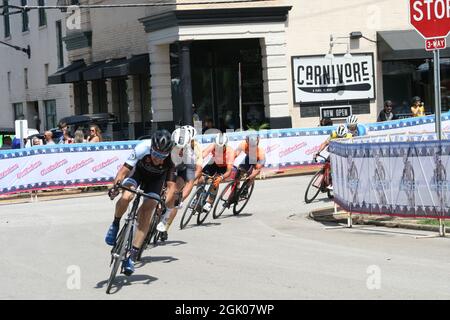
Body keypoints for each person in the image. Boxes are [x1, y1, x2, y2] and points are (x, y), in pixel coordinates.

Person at [105, 129, 176, 276]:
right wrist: (115, 186)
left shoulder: (171, 160)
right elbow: (123, 171)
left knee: (147, 210)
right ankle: (115, 223)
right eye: (155, 154)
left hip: (156, 182)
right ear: (151, 149)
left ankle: (131, 255)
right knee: (126, 197)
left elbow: (170, 187)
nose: (158, 159)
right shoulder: (142, 147)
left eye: (162, 156)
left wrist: (163, 203)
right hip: (137, 175)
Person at [156, 126, 203, 239]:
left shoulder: (192, 152)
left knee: (175, 196)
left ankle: (165, 226)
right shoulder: (166, 145)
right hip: (168, 167)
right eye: (177, 147)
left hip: (183, 169)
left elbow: (191, 178)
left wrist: (181, 197)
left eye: (182, 148)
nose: (180, 150)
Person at [201, 132, 235, 212]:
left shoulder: (230, 152)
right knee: (200, 177)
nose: (218, 149)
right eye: (217, 146)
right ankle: (198, 195)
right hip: (214, 162)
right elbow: (203, 154)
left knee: (216, 181)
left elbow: (229, 171)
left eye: (221, 147)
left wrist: (221, 177)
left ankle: (209, 202)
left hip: (224, 167)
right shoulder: (213, 145)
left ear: (225, 145)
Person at [314, 124, 353, 191]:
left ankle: (333, 182)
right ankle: (324, 179)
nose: (339, 137)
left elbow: (351, 148)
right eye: (338, 136)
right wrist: (318, 152)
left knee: (338, 167)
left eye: (341, 136)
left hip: (343, 152)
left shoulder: (349, 136)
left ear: (345, 134)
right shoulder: (333, 134)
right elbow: (325, 143)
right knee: (327, 163)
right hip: (334, 151)